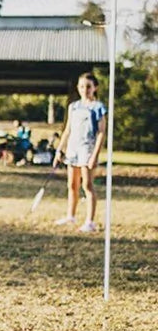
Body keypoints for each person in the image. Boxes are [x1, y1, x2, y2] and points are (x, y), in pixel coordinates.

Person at [52, 72, 106, 232]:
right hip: (73, 149)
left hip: (87, 148)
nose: (85, 89)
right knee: (72, 184)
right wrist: (59, 150)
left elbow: (102, 132)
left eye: (88, 86)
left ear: (95, 88)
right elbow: (67, 130)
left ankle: (90, 221)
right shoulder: (73, 106)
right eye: (82, 86)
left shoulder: (98, 107)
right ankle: (71, 216)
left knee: (87, 185)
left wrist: (94, 155)